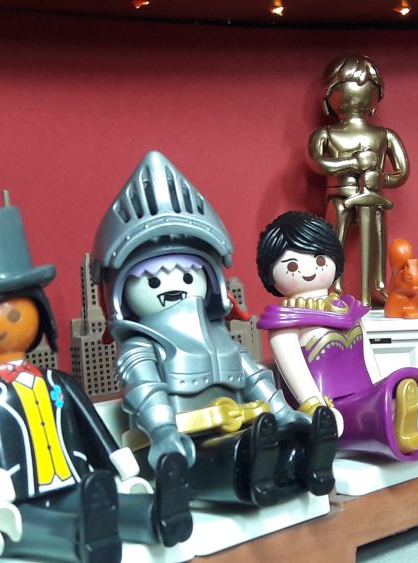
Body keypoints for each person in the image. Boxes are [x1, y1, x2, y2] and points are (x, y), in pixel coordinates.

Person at [0, 205, 191, 563]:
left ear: (39, 314)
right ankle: (86, 541)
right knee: (42, 527)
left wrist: (120, 471)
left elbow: (93, 430)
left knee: (104, 505)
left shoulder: (59, 382)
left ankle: (156, 517)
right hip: (10, 505)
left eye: (15, 314)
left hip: (73, 482)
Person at [92, 151, 337, 508]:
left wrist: (283, 411)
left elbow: (253, 375)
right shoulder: (142, 345)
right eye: (152, 280)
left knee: (276, 442)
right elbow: (145, 391)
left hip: (243, 426)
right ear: (120, 291)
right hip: (181, 446)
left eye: (188, 276)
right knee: (234, 457)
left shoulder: (218, 334)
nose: (173, 288)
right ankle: (260, 475)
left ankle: (309, 465)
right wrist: (163, 433)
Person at [257, 211, 418, 461]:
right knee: (369, 417)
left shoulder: (348, 310)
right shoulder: (285, 322)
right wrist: (316, 408)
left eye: (320, 259)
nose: (309, 270)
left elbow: (367, 358)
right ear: (270, 272)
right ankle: (400, 429)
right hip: (330, 408)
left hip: (364, 398)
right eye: (292, 265)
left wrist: (381, 391)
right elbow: (295, 372)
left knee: (391, 405)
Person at [308, 53, 410, 306]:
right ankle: (334, 286)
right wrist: (353, 163)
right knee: (335, 239)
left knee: (377, 238)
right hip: (339, 196)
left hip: (373, 199)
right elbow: (317, 162)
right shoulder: (326, 134)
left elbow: (402, 172)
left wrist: (380, 178)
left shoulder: (384, 135)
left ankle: (378, 286)